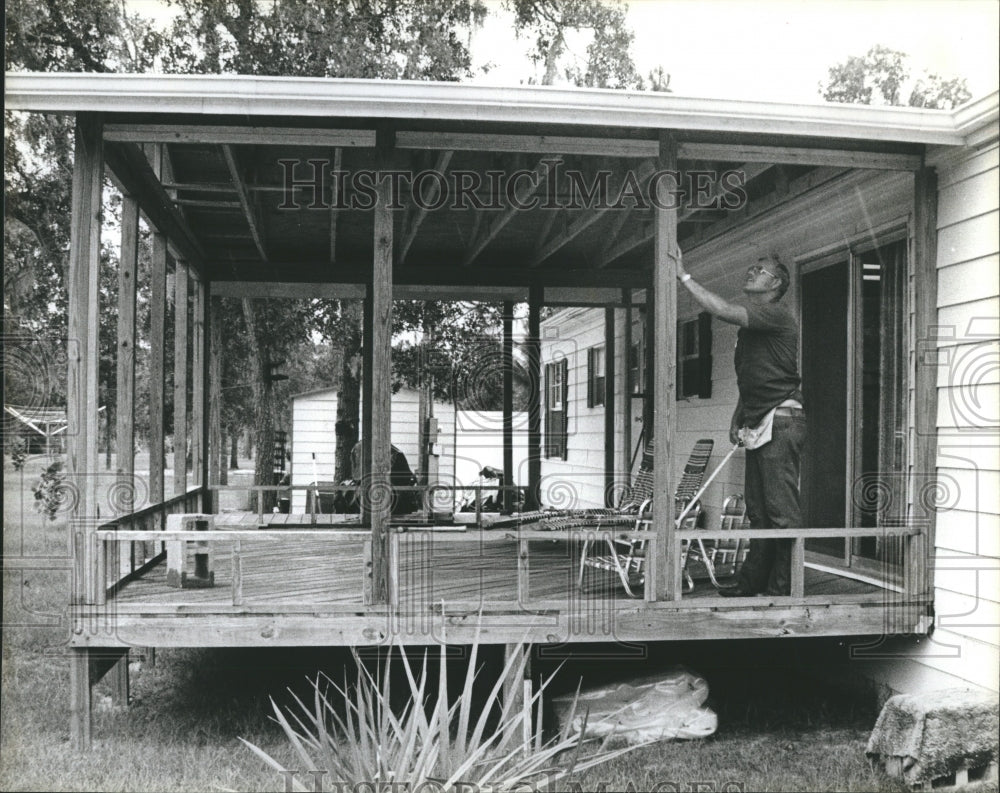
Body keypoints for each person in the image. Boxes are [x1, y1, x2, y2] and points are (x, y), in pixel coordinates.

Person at [672, 248, 806, 596]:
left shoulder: (775, 314)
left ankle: (783, 591)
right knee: (759, 512)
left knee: (781, 513)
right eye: (751, 267)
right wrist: (737, 417)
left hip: (781, 420)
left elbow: (721, 310)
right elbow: (754, 379)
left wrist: (684, 276)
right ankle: (751, 585)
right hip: (760, 419)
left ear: (775, 284)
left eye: (759, 270)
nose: (750, 272)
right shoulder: (754, 326)